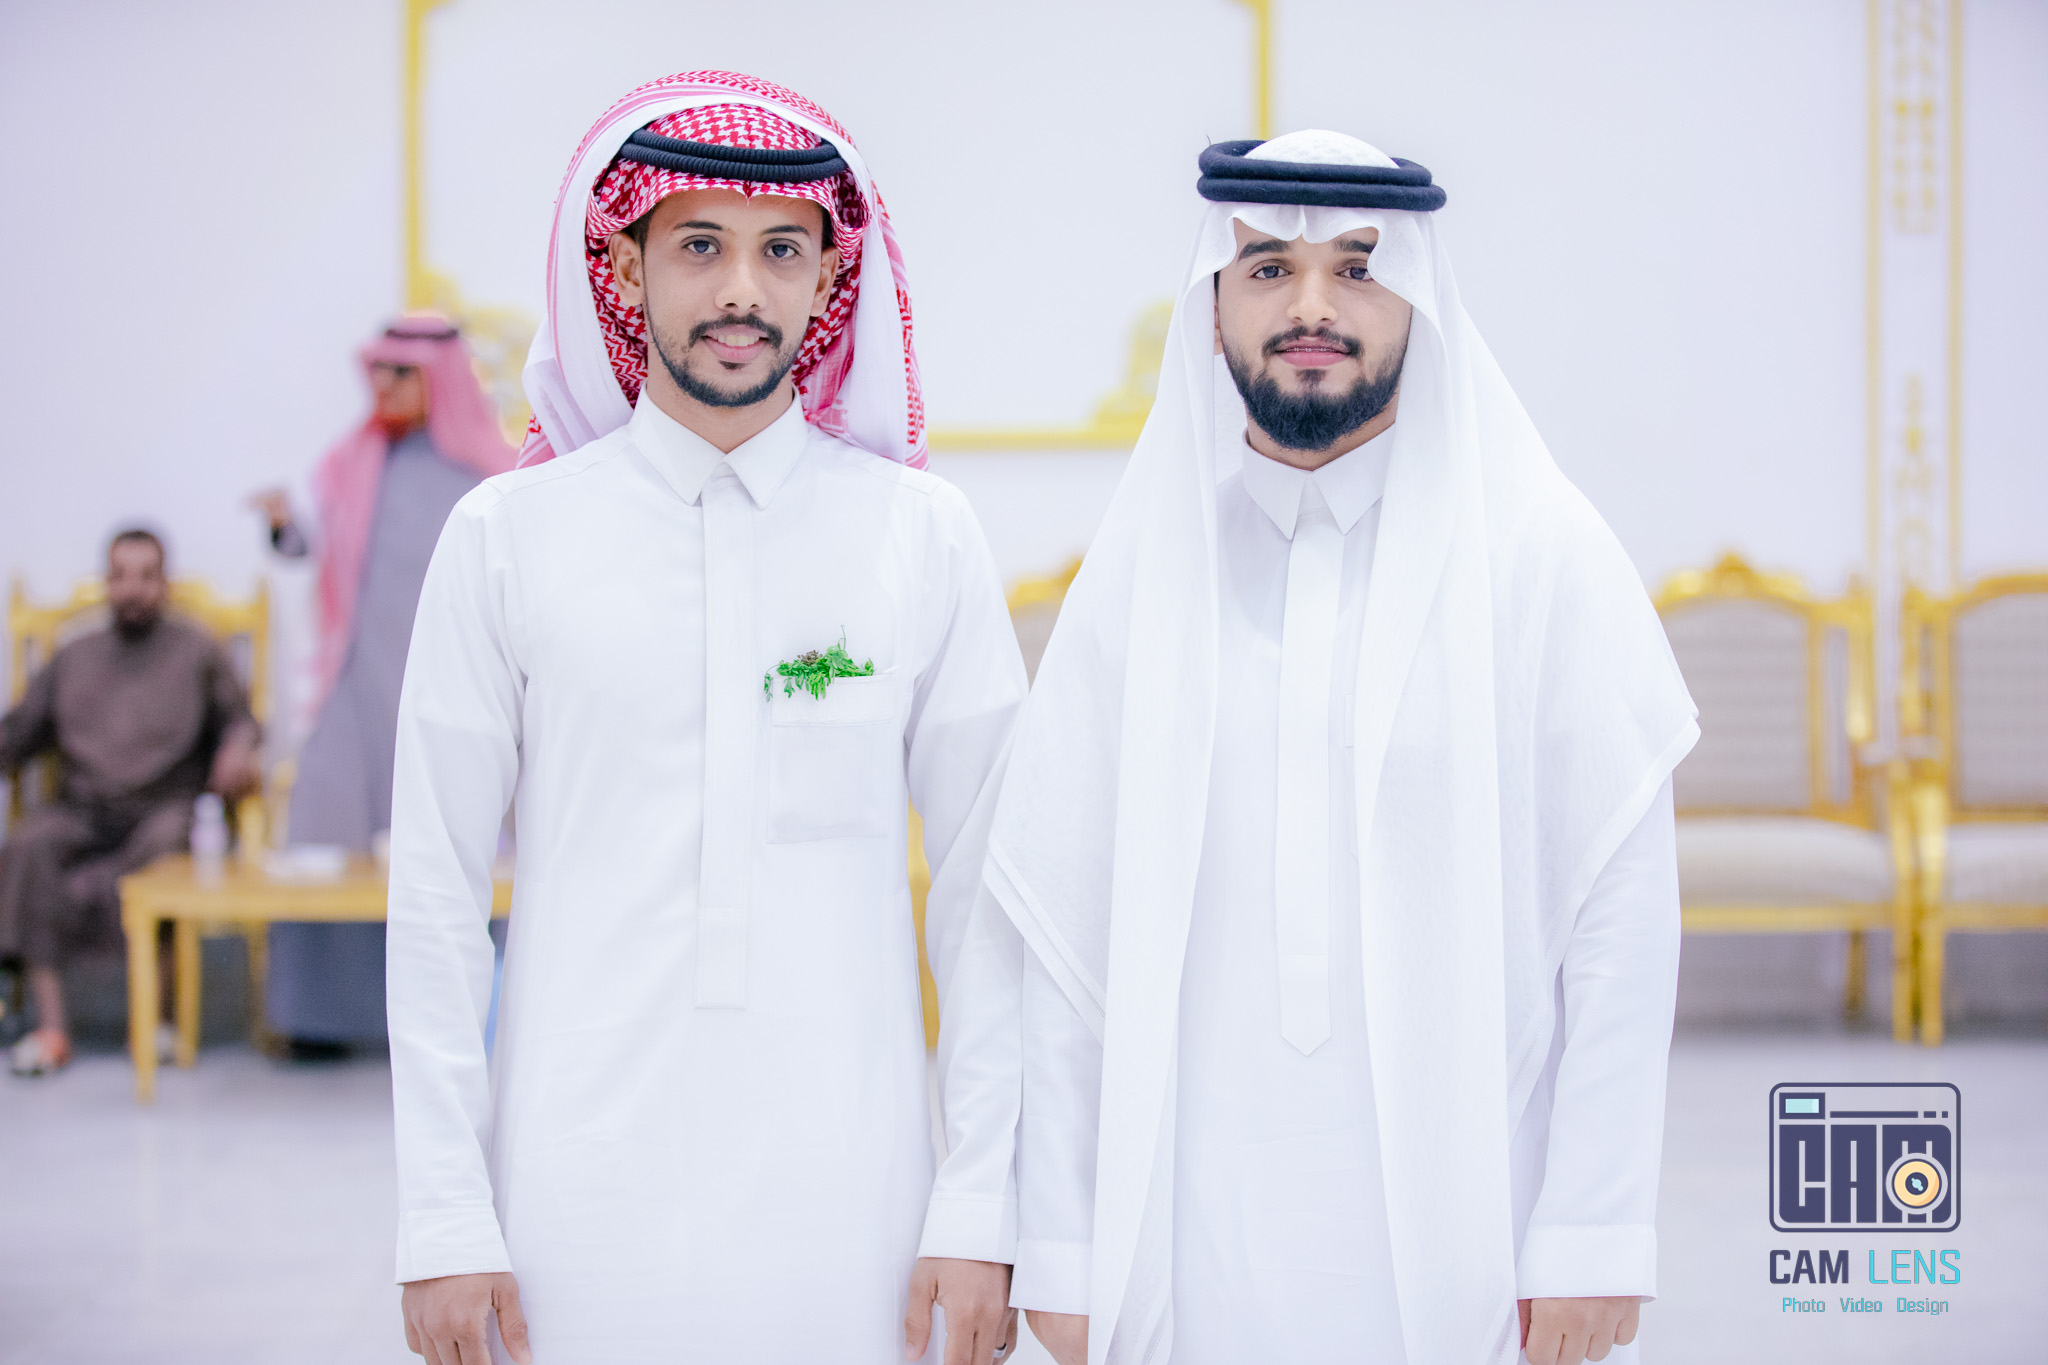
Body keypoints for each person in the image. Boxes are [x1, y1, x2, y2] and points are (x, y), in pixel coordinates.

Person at [974, 132, 1698, 1365]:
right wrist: (1058, 1236)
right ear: (1211, 311)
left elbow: (1619, 926)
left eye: (1357, 269)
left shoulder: (1539, 560)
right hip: (1182, 1228)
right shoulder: (1142, 580)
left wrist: (1592, 1229)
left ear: (1417, 302)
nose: (1310, 306)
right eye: (1267, 268)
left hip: (1471, 1227)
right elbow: (1057, 932)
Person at [386, 72, 1026, 1365]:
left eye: (781, 250)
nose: (742, 289)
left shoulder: (920, 536)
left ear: (828, 277)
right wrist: (446, 1217)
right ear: (624, 269)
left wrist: (980, 1203)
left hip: (857, 1208)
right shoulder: (507, 537)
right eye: (698, 247)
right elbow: (437, 899)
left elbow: (991, 898)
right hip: (569, 1204)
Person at [251, 318, 518, 1052]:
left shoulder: (492, 473)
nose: (384, 386)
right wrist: (282, 528)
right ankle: (320, 1021)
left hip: (454, 690)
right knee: (324, 829)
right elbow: (311, 544)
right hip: (360, 680)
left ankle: (464, 1018)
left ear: (438, 378)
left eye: (401, 372)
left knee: (458, 845)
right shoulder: (351, 462)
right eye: (378, 371)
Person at [0, 529, 260, 1075]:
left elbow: (240, 721)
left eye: (146, 576)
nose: (132, 589)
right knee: (30, 845)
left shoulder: (197, 650)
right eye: (120, 576)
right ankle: (51, 1030)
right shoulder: (73, 656)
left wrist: (237, 751)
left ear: (164, 583)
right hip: (81, 811)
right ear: (107, 582)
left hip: (162, 808)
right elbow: (19, 733)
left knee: (168, 845)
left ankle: (152, 1023)